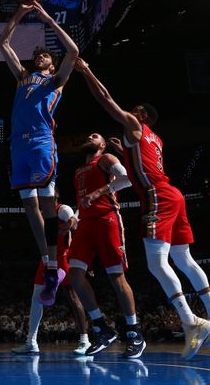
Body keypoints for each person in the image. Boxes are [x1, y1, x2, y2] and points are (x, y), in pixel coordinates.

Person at [75, 58, 210, 360]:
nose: (129, 113)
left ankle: (191, 321)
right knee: (183, 258)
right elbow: (141, 165)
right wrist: (123, 151)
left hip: (157, 196)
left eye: (134, 110)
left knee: (156, 263)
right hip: (173, 194)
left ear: (142, 116)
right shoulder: (155, 139)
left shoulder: (135, 125)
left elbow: (106, 99)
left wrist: (86, 72)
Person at [0, 0, 79, 305]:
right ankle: (48, 264)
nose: (40, 56)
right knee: (28, 207)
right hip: (18, 145)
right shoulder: (22, 76)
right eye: (38, 55)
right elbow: (2, 42)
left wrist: (46, 18)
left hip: (42, 142)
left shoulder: (56, 81)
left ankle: (62, 234)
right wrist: (19, 12)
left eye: (45, 55)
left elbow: (73, 52)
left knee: (47, 207)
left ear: (52, 63)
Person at [66, 133, 145, 357]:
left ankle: (134, 332)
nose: (89, 135)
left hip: (107, 219)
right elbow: (84, 199)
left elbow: (128, 178)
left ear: (101, 145)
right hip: (86, 224)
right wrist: (76, 216)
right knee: (74, 274)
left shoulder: (106, 158)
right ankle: (101, 328)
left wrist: (100, 191)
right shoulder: (79, 170)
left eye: (95, 135)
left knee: (116, 276)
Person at [12, 193, 90, 355]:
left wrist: (82, 257)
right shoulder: (40, 214)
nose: (43, 199)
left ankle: (85, 341)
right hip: (47, 259)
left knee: (73, 297)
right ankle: (31, 342)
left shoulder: (62, 209)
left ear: (56, 197)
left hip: (63, 258)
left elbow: (74, 223)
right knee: (36, 298)